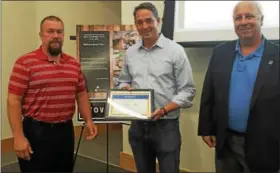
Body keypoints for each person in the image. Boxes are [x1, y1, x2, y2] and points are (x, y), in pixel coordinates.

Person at [7, 15, 98, 172]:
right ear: (41, 35)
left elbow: (81, 94)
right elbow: (13, 101)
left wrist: (89, 120)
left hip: (65, 131)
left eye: (59, 32)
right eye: (50, 31)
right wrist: (18, 137)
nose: (56, 35)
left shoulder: (73, 64)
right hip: (36, 132)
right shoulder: (25, 63)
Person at [198, 1, 280, 173]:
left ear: (261, 20)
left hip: (264, 143)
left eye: (249, 16)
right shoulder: (221, 52)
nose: (243, 22)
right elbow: (209, 92)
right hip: (225, 139)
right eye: (238, 18)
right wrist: (206, 128)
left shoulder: (276, 55)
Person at [118, 2, 196, 173]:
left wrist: (164, 109)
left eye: (149, 21)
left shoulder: (175, 51)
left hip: (166, 125)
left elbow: (188, 91)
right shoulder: (130, 53)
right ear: (135, 24)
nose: (144, 26)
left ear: (158, 21)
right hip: (138, 124)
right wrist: (124, 88)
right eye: (140, 22)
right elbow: (123, 80)